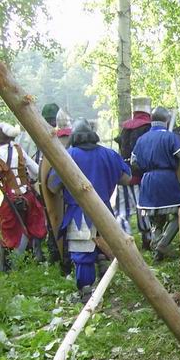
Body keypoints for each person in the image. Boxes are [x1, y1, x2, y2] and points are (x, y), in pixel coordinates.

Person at [48, 119, 131, 299]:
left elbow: (52, 186)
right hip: (104, 211)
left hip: (79, 213)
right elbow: (126, 179)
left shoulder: (67, 156)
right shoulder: (109, 154)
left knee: (82, 253)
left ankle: (86, 291)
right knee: (103, 246)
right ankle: (103, 281)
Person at [133, 106, 180, 261]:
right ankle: (163, 243)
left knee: (155, 218)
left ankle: (157, 252)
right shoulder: (170, 137)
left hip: (147, 180)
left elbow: (134, 162)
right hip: (166, 179)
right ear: (166, 120)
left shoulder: (141, 139)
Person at [0, 122, 47, 269]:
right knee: (35, 226)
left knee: (7, 233)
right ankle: (35, 260)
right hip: (28, 196)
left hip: (10, 201)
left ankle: (7, 269)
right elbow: (36, 170)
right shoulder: (19, 150)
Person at [114, 96, 152, 247]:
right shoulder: (147, 127)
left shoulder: (126, 128)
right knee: (144, 208)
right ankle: (148, 238)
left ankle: (124, 240)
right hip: (140, 174)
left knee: (122, 211)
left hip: (123, 173)